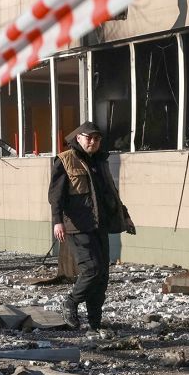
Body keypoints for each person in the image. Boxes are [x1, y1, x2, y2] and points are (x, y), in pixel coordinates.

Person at [48, 122, 134, 330]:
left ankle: (95, 323)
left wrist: (125, 217)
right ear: (78, 138)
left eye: (97, 139)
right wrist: (57, 221)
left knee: (102, 276)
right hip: (78, 225)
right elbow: (55, 195)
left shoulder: (101, 161)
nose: (93, 142)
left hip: (100, 224)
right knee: (92, 270)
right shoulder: (65, 160)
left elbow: (111, 193)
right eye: (89, 138)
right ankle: (70, 302)